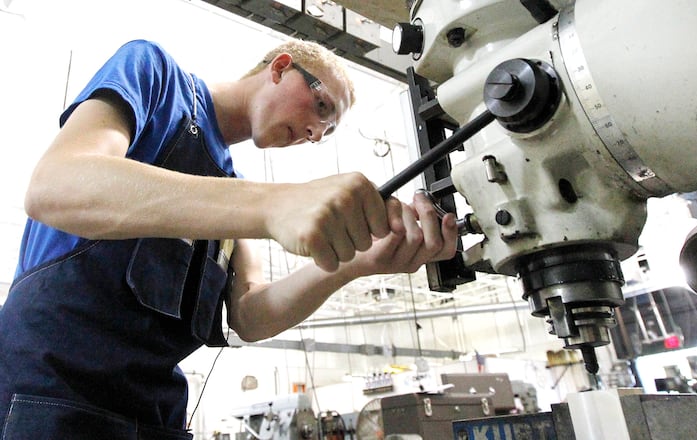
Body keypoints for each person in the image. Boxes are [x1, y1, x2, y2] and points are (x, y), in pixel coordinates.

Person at [0, 39, 457, 439]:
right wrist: (273, 204)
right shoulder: (156, 76)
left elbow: (249, 315)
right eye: (322, 107)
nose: (316, 132)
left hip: (153, 414)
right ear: (281, 68)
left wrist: (355, 263)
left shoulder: (231, 191)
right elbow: (57, 185)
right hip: (50, 392)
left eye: (327, 132)